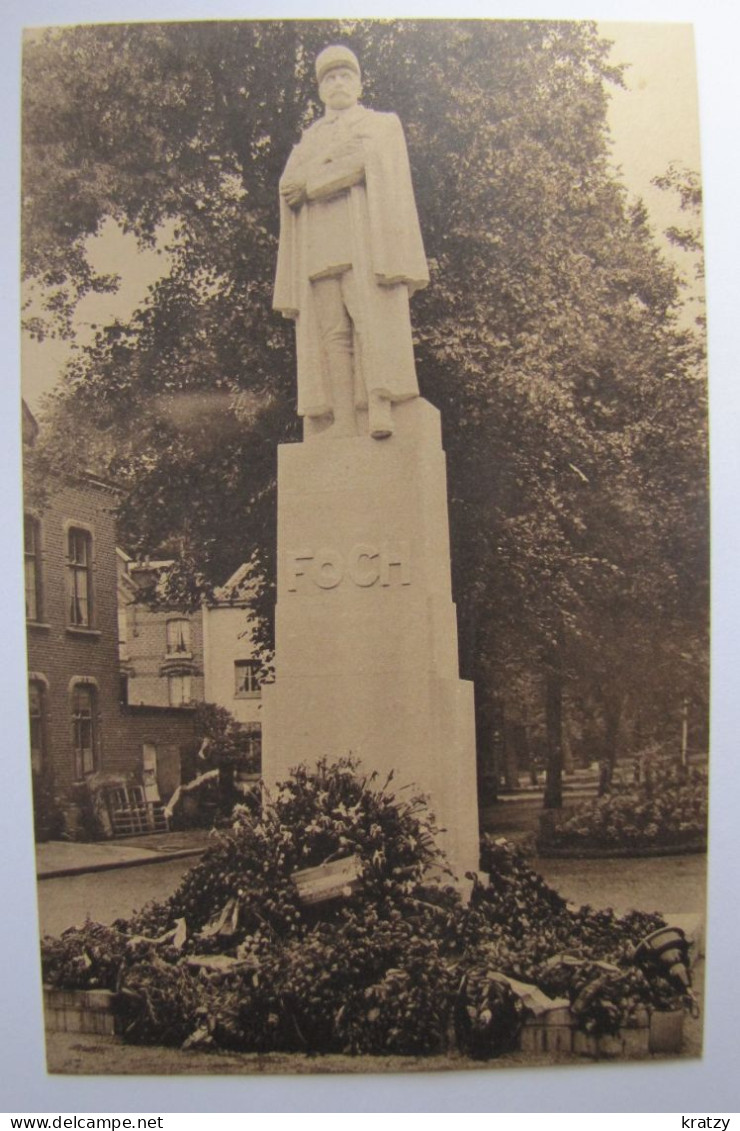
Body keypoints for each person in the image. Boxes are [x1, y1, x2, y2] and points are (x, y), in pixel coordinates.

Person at [274, 45, 429, 440]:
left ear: (359, 82)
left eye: (345, 75)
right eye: (329, 78)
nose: (338, 83)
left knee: (368, 320)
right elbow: (288, 185)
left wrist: (315, 180)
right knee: (331, 332)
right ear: (320, 89)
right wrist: (322, 171)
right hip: (319, 243)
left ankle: (379, 405)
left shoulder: (380, 123)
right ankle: (343, 418)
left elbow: (362, 163)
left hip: (363, 240)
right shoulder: (310, 137)